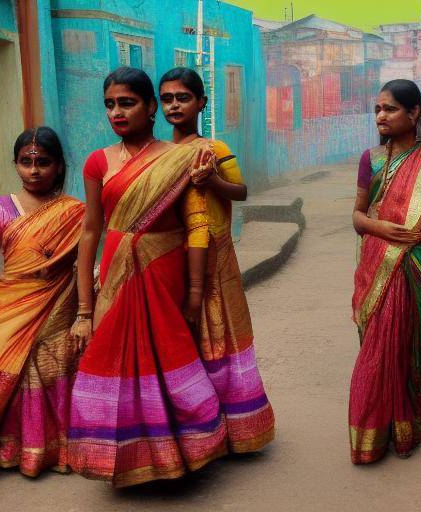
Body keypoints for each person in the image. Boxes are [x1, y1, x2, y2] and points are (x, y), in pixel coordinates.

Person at [68, 67, 232, 488]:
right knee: (113, 360)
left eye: (127, 102)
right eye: (110, 104)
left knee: (169, 359)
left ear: (151, 107)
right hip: (118, 273)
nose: (117, 112)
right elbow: (91, 230)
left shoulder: (182, 157)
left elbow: (197, 226)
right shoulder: (97, 162)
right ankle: (123, 457)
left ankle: (182, 454)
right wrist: (84, 309)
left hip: (165, 270)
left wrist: (195, 292)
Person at [159, 67, 274, 454]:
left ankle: (234, 429)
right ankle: (193, 428)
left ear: (201, 103)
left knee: (219, 336)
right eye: (167, 99)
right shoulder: (159, 155)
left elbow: (240, 191)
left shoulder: (214, 148)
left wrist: (211, 183)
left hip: (216, 256)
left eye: (183, 98)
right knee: (181, 340)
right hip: (176, 255)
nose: (174, 105)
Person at [349, 79, 421, 464]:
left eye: (390, 109)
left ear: (414, 113)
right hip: (381, 262)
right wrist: (378, 227)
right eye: (378, 109)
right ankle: (373, 435)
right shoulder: (372, 159)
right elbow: (358, 216)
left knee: (413, 351)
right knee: (379, 350)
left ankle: (408, 423)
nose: (381, 115)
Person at [0, 127, 84, 476]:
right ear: (15, 164)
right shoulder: (0, 208)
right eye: (26, 162)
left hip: (56, 302)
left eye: (43, 162)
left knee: (42, 364)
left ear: (58, 166)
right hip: (9, 303)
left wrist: (87, 311)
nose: (34, 170)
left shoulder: (74, 211)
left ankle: (42, 450)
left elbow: (84, 262)